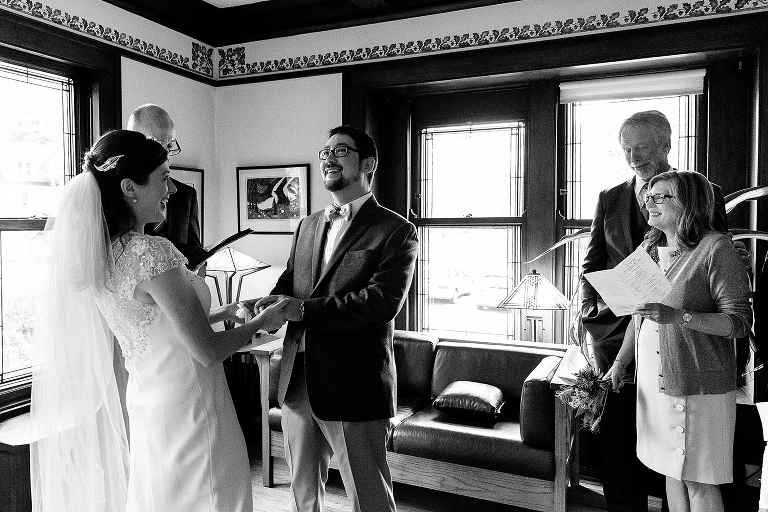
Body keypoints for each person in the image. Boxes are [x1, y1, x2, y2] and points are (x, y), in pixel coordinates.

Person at [29, 130, 288, 512]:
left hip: (151, 405)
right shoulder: (153, 252)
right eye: (163, 178)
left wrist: (225, 312)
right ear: (130, 188)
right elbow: (205, 350)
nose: (171, 189)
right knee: (214, 498)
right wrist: (264, 320)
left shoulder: (104, 257)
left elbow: (153, 323)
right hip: (194, 409)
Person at [255, 126, 418, 512]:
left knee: (370, 497)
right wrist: (266, 305)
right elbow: (292, 282)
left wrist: (303, 310)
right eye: (324, 151)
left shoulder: (396, 230)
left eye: (340, 151)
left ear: (368, 163)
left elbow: (380, 303)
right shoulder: (307, 225)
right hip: (297, 381)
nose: (327, 158)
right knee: (303, 495)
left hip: (355, 385)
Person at [580, 110, 729, 512]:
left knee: (680, 456)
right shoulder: (610, 198)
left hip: (685, 348)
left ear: (666, 145)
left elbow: (717, 275)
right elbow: (592, 266)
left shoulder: (702, 193)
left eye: (642, 149)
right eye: (625, 149)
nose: (633, 158)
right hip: (617, 340)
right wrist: (595, 318)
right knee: (621, 447)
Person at [604, 170, 752, 512]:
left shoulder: (716, 248)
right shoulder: (650, 248)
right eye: (648, 197)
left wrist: (678, 317)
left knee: (698, 479)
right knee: (671, 472)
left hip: (699, 382)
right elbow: (637, 316)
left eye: (660, 197)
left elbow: (739, 323)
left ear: (688, 202)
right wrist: (619, 363)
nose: (648, 203)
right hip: (654, 380)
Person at [127, 103, 209, 270]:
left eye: (170, 146)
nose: (165, 154)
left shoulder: (186, 194)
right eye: (157, 144)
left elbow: (195, 254)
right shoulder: (122, 195)